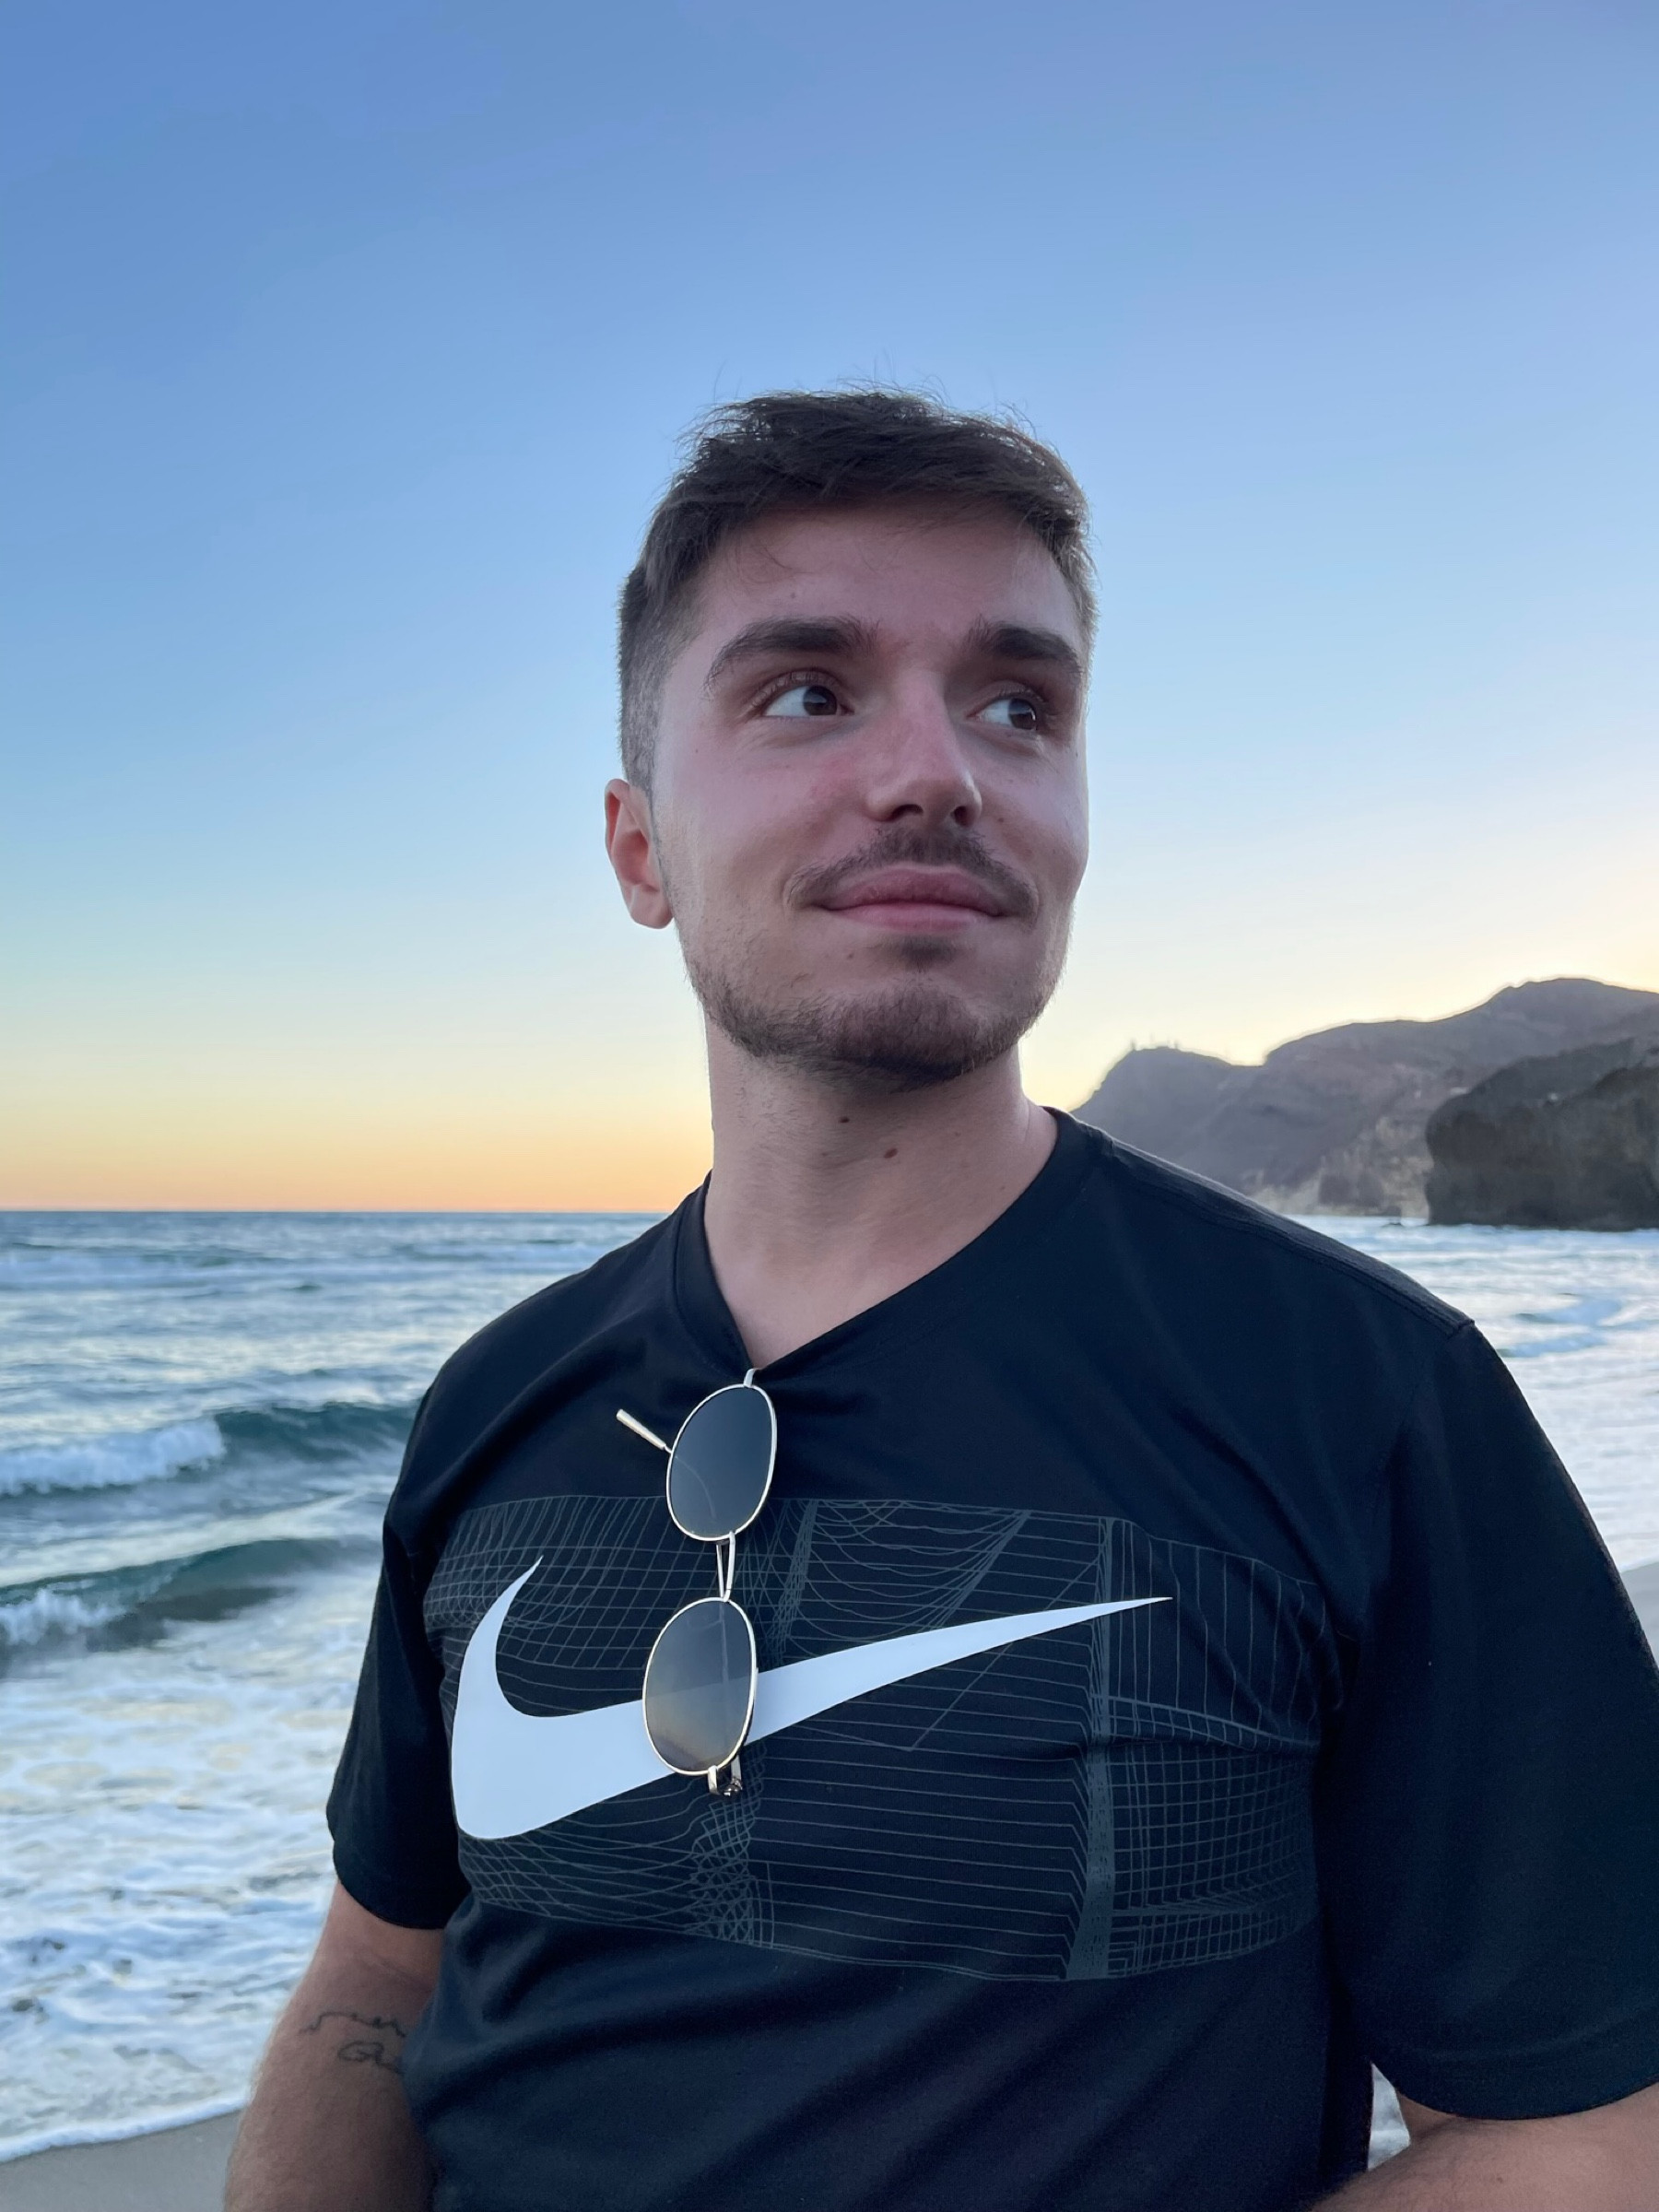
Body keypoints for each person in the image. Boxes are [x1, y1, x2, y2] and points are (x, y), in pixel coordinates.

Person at [226, 390, 1659, 2212]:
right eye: (807, 692)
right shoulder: (498, 1401)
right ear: (640, 848)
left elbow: (1593, 2127)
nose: (937, 772)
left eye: (1017, 705)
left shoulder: (1362, 1397)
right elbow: (376, 1981)